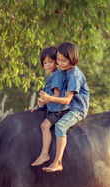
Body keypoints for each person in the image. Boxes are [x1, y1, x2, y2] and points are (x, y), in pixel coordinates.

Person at [38, 41, 89, 172]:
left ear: (73, 60)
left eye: (63, 61)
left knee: (60, 126)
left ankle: (58, 161)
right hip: (68, 107)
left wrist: (49, 98)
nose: (60, 64)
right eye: (58, 60)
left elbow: (67, 100)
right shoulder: (65, 72)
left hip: (76, 109)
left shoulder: (74, 76)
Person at [31, 46, 68, 166]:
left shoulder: (57, 75)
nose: (47, 65)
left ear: (56, 61)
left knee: (44, 126)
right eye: (45, 63)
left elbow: (56, 94)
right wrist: (38, 107)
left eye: (50, 62)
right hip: (51, 108)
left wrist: (45, 101)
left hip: (58, 110)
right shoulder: (52, 75)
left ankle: (45, 154)